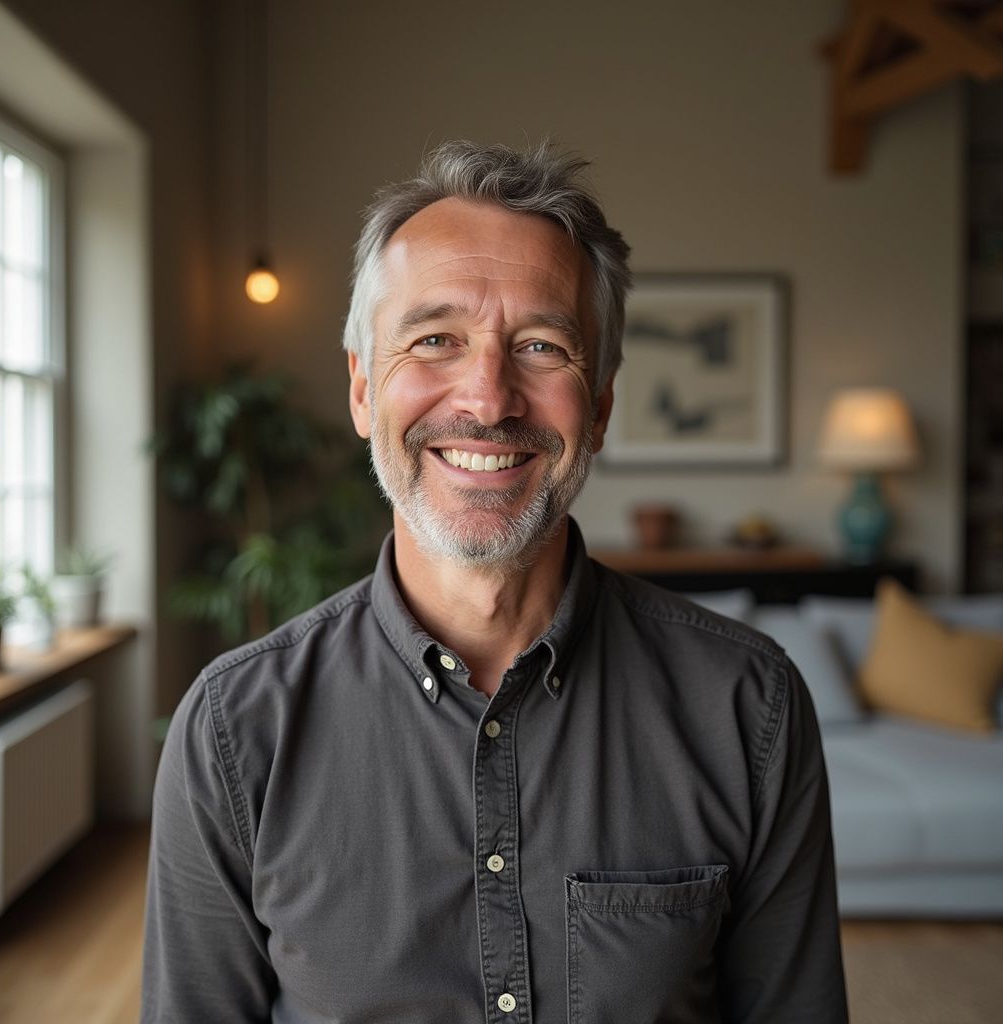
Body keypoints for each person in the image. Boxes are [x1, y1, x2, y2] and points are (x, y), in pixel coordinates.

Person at [141, 140, 848, 1023]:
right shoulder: (233, 732)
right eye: (435, 338)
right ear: (364, 388)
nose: (488, 397)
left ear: (599, 407)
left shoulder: (750, 705)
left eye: (543, 345)